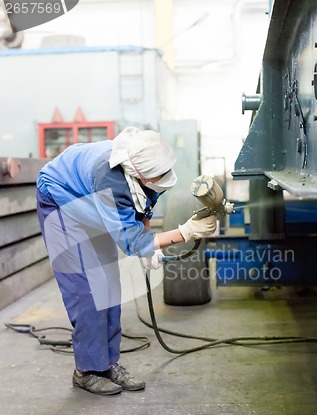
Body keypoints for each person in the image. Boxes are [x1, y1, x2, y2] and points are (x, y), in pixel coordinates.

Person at [36, 127, 217, 396]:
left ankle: (107, 363)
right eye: (158, 177)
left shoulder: (153, 171)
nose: (164, 179)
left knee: (109, 282)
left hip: (91, 197)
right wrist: (184, 233)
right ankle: (86, 371)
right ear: (137, 173)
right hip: (61, 199)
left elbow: (143, 208)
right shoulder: (110, 178)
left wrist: (149, 240)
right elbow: (130, 242)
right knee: (86, 288)